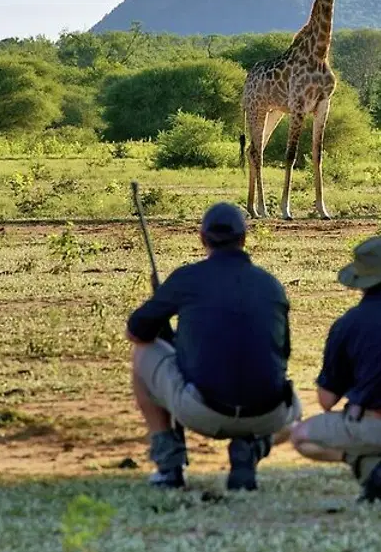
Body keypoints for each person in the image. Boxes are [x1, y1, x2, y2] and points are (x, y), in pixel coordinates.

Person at [126, 202, 300, 491]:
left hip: (204, 412)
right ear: (244, 238)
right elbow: (284, 354)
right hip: (270, 413)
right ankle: (253, 449)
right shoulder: (271, 285)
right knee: (295, 411)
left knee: (142, 353)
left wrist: (171, 329)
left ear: (202, 238)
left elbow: (136, 333)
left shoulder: (187, 278)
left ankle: (169, 466)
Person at [290, 236, 381, 501]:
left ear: (360, 281)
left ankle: (369, 466)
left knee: (301, 437)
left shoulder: (347, 324)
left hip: (377, 428)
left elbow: (326, 401)